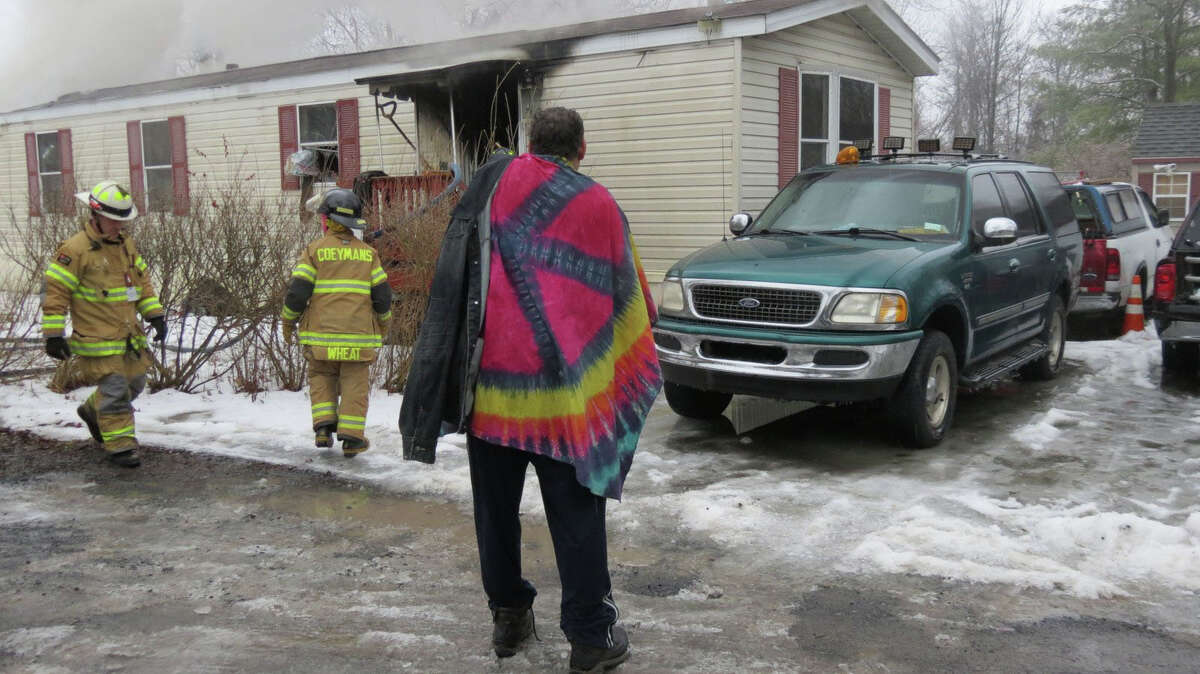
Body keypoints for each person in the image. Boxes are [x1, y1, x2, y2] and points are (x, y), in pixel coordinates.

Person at [399, 108, 661, 672]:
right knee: (577, 519)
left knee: (495, 515)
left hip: (492, 398)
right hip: (566, 404)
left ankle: (509, 619)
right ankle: (591, 638)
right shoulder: (600, 205)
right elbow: (637, 303)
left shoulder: (491, 187)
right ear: (582, 149)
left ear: (530, 144)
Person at [42, 180, 166, 468]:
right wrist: (53, 335)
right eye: (113, 220)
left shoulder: (126, 246)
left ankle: (91, 411)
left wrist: (155, 315)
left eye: (122, 221)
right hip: (97, 339)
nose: (118, 226)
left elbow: (142, 283)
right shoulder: (74, 250)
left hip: (128, 337)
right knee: (114, 391)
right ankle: (120, 446)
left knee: (135, 383)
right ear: (96, 214)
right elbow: (55, 292)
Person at [281, 188, 392, 457]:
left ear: (326, 220)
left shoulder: (314, 251)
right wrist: (384, 322)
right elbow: (382, 296)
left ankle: (323, 429)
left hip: (320, 337)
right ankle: (353, 439)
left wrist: (288, 321)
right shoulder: (368, 254)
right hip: (358, 337)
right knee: (355, 382)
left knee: (321, 376)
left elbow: (298, 291)